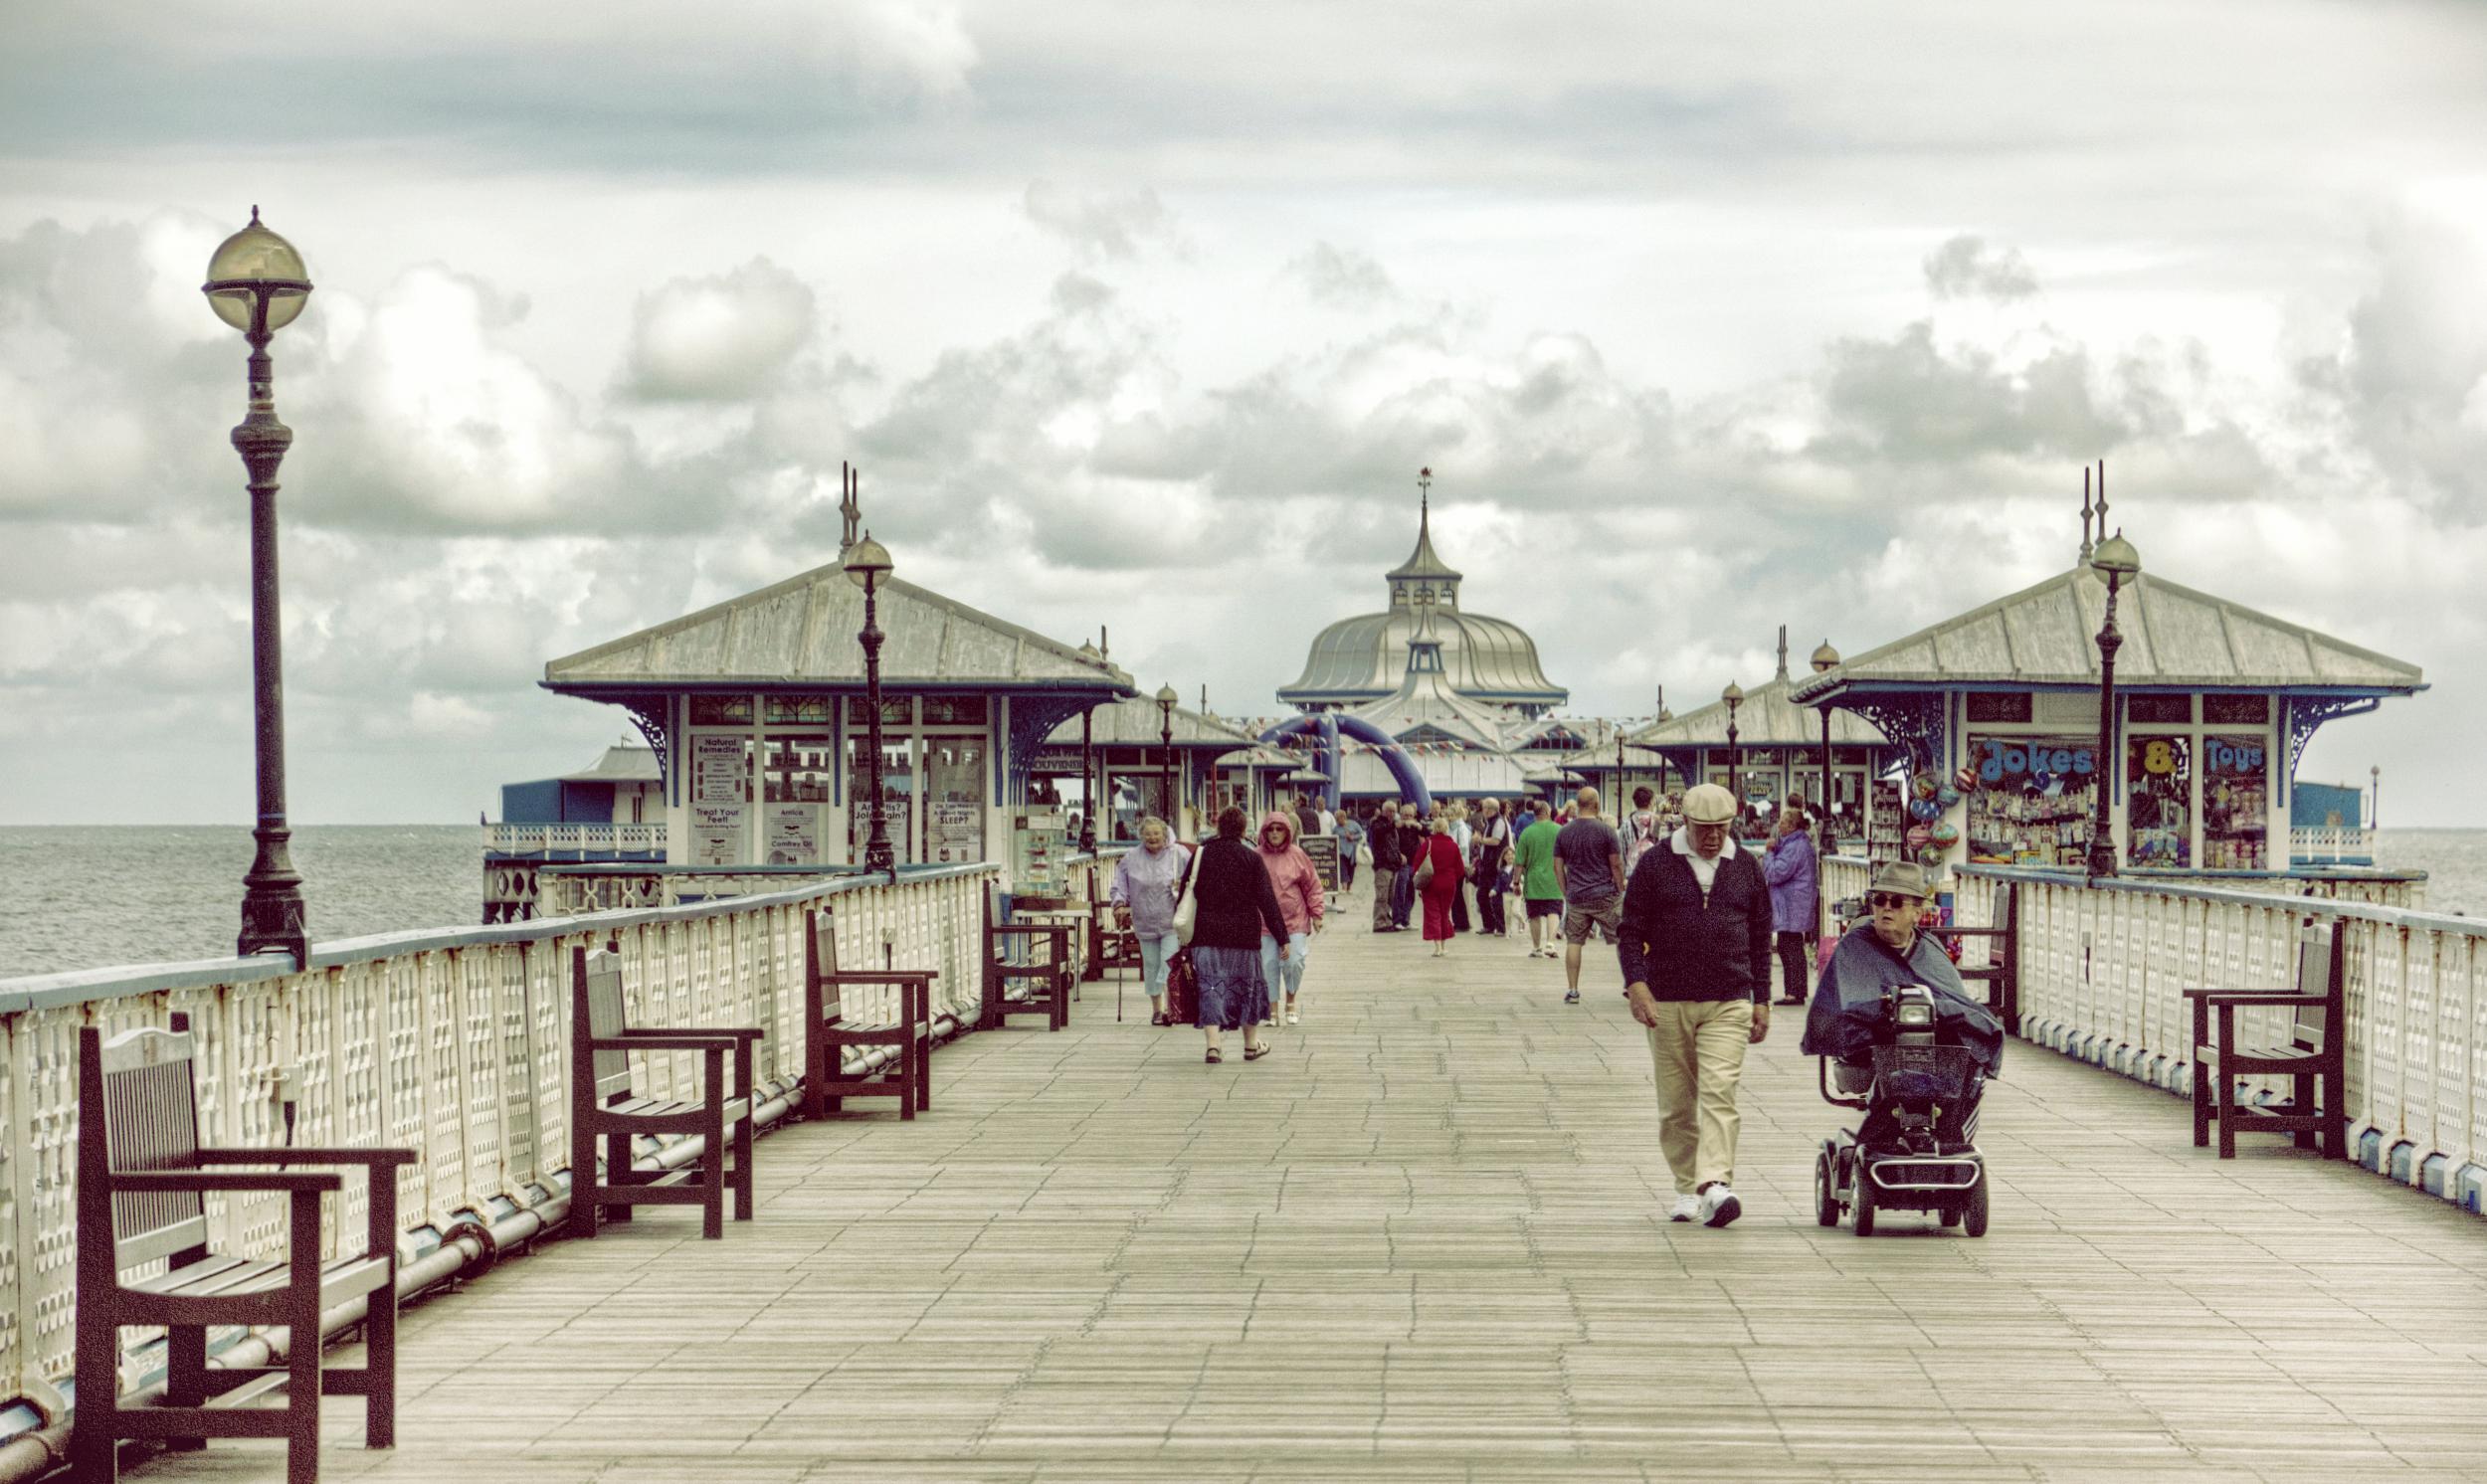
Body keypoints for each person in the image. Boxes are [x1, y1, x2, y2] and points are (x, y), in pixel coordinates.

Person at [1617, 783, 1774, 1227]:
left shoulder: (1745, 866)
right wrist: (1637, 985)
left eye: (1721, 828)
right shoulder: (1655, 864)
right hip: (1666, 999)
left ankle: (1715, 1184)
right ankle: (1687, 1187)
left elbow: (1762, 936)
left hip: (1729, 998)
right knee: (1676, 1104)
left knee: (1720, 1091)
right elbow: (1630, 932)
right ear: (1685, 822)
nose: (1713, 837)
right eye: (1704, 828)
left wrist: (1762, 999)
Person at [1183, 806, 1289, 1063]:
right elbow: (1267, 900)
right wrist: (1282, 936)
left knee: (1210, 986)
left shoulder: (1201, 855)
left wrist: (1183, 937)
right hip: (1243, 934)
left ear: (1218, 827)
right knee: (1247, 988)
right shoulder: (1252, 858)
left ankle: (1213, 1047)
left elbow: (1185, 894)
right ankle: (1251, 1045)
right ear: (1243, 830)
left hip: (1206, 932)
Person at [1108, 816, 1192, 1026]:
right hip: (1144, 921)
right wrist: (1118, 904)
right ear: (1141, 836)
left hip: (1172, 921)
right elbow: (1120, 885)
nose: (1152, 838)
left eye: (1156, 833)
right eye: (1148, 834)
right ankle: (1157, 1010)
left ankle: (1173, 1008)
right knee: (1152, 965)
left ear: (1165, 834)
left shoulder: (1179, 854)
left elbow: (1194, 879)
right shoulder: (1131, 858)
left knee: (1169, 963)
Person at [1553, 786, 1626, 1006]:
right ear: (1596, 804)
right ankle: (1631, 984)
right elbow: (1615, 864)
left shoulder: (1564, 832)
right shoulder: (1606, 831)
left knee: (1574, 942)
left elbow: (1558, 867)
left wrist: (1566, 891)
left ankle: (1573, 990)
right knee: (1624, 939)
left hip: (1577, 896)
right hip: (1606, 895)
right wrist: (1620, 887)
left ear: (1577, 804)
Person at [1254, 811, 1325, 1026]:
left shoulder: (1297, 855)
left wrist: (1317, 913)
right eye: (1271, 829)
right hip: (1264, 923)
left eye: (1280, 829)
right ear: (1265, 832)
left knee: (1294, 962)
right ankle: (1272, 1006)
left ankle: (1291, 1000)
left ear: (1288, 832)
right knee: (1268, 964)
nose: (1275, 833)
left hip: (1294, 920)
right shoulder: (1256, 855)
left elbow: (1312, 885)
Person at [1763, 802, 1818, 1006]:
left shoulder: (1794, 847)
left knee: (1789, 946)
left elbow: (1775, 872)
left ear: (1793, 826)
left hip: (1792, 903)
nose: (1780, 825)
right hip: (1795, 902)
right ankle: (1796, 991)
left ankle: (1793, 993)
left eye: (1784, 822)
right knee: (1792, 946)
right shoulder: (1798, 844)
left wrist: (1769, 853)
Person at [1512, 803, 1564, 959]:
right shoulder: (1559, 830)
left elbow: (1519, 861)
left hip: (1533, 880)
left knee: (1534, 914)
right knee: (1554, 911)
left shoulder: (1527, 833)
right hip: (1555, 878)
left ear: (1534, 814)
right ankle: (1550, 943)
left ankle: (1536, 948)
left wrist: (1516, 882)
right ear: (1548, 812)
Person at [1416, 812, 1467, 956]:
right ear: (1446, 829)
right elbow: (1460, 870)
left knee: (1433, 914)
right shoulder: (1453, 846)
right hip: (1449, 884)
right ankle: (1444, 947)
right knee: (1445, 914)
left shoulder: (1428, 844)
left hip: (1430, 884)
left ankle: (1437, 947)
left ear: (1434, 828)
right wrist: (1451, 878)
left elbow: (1416, 863)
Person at [1469, 798, 1510, 938]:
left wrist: (1480, 840)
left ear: (1492, 809)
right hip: (1486, 865)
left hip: (1494, 865)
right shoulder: (1490, 822)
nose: (1484, 810)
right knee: (1482, 895)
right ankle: (1489, 925)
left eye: (1486, 808)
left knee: (1494, 896)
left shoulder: (1498, 822)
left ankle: (1500, 927)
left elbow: (1496, 841)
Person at [1368, 800, 1405, 931]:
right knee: (1381, 895)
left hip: (1392, 865)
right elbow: (1378, 832)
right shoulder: (1377, 823)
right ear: (1384, 811)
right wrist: (1393, 825)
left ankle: (1387, 920)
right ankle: (1379, 922)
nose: (1393, 814)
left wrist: (1399, 856)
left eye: (1395, 811)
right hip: (1382, 864)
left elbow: (1394, 845)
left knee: (1390, 896)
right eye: (1391, 811)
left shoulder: (1390, 825)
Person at [1393, 804, 1426, 930]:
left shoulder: (1415, 827)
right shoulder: (1397, 827)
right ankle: (1397, 920)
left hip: (1415, 863)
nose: (1408, 818)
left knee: (1411, 893)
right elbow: (1391, 843)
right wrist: (1399, 854)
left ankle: (1406, 920)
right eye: (1405, 815)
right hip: (1403, 864)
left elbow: (1427, 833)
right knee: (1401, 891)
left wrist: (1419, 826)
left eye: (1411, 815)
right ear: (1401, 815)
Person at [1622, 785, 1663, 878]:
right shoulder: (1656, 822)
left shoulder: (1626, 824)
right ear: (1651, 802)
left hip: (1632, 874)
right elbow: (1659, 848)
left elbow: (1622, 851)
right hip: (1652, 874)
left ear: (1635, 802)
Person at [1446, 804, 1473, 934]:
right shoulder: (1452, 827)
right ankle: (1460, 922)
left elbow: (1463, 847)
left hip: (1459, 864)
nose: (1449, 817)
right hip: (1453, 864)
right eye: (1448, 815)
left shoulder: (1461, 828)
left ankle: (1462, 923)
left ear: (1457, 814)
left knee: (1457, 895)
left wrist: (1449, 850)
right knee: (1456, 895)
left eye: (1451, 814)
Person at [1336, 805, 1366, 896]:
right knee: (1343, 869)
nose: (1338, 821)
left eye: (1339, 819)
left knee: (1351, 869)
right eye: (1336, 819)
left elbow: (1362, 834)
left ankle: (1349, 887)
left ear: (1344, 817)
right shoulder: (1335, 828)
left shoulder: (1354, 824)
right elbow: (1332, 837)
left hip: (1352, 851)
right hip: (1341, 852)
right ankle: (1344, 887)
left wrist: (1352, 837)